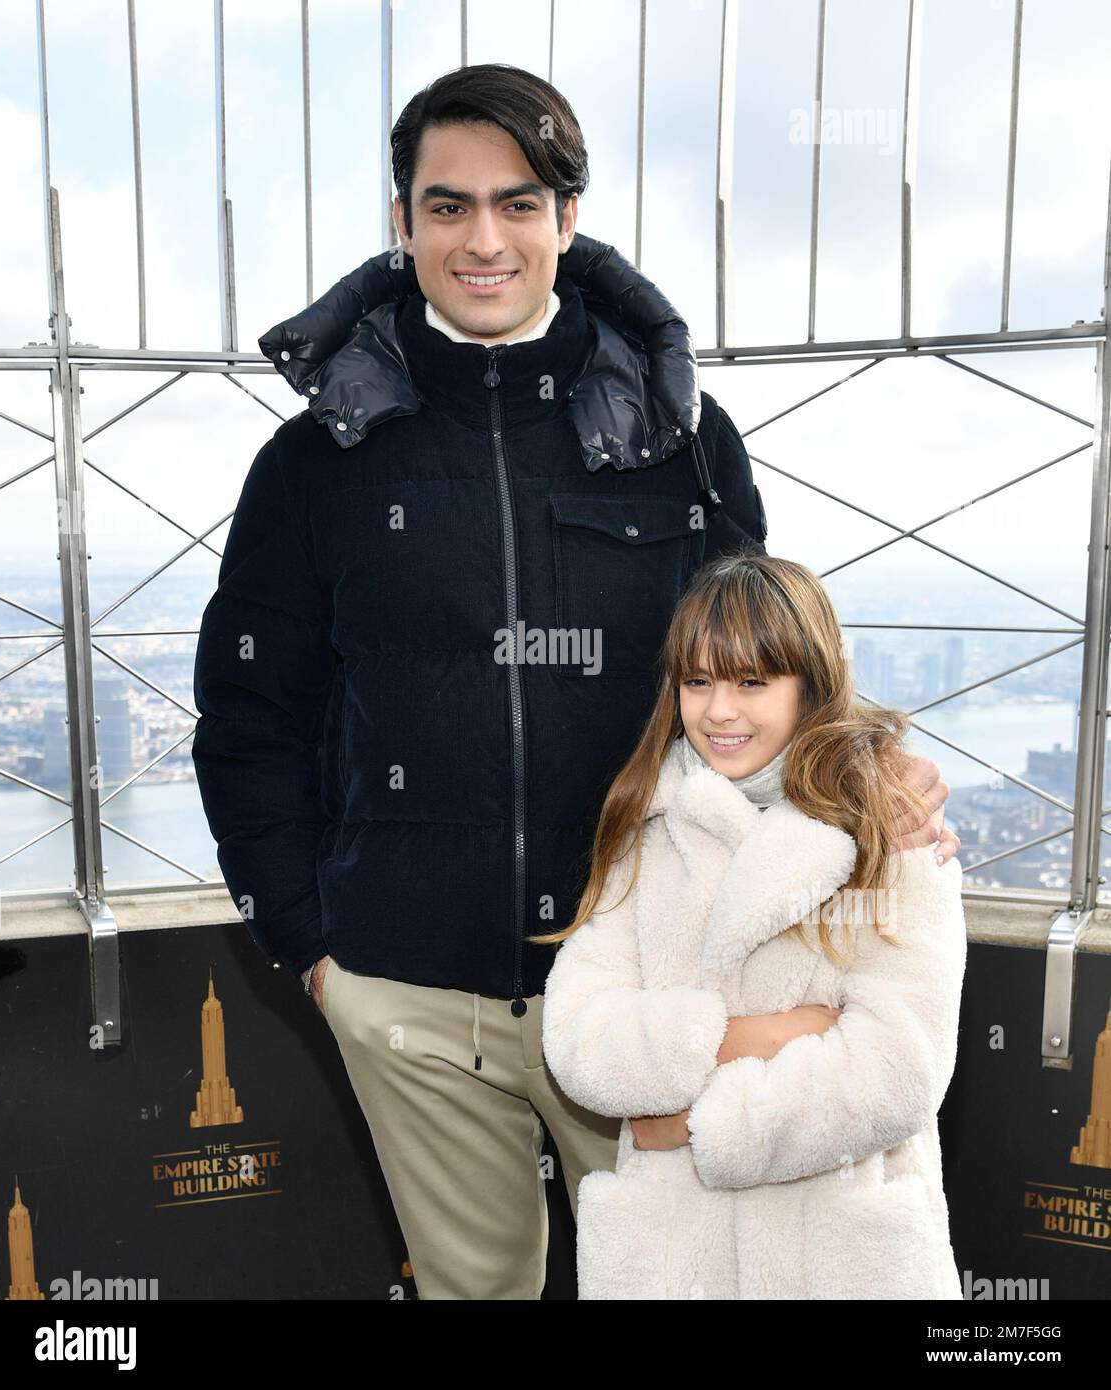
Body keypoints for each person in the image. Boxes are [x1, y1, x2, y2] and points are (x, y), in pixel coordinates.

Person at [191, 62, 959, 1300]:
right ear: (401, 223)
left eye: (518, 202)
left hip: (651, 987)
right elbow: (245, 719)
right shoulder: (312, 463)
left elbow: (761, 666)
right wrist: (319, 955)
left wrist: (871, 763)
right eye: (447, 206)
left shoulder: (679, 438)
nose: (482, 239)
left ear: (566, 217)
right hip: (405, 993)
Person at [539, 551, 968, 1300]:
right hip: (674, 1260)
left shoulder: (893, 834)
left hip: (837, 1261)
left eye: (751, 681)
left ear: (810, 684)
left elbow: (897, 1071)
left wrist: (697, 1125)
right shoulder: (647, 825)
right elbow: (580, 1038)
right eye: (698, 681)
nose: (719, 711)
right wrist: (779, 1033)